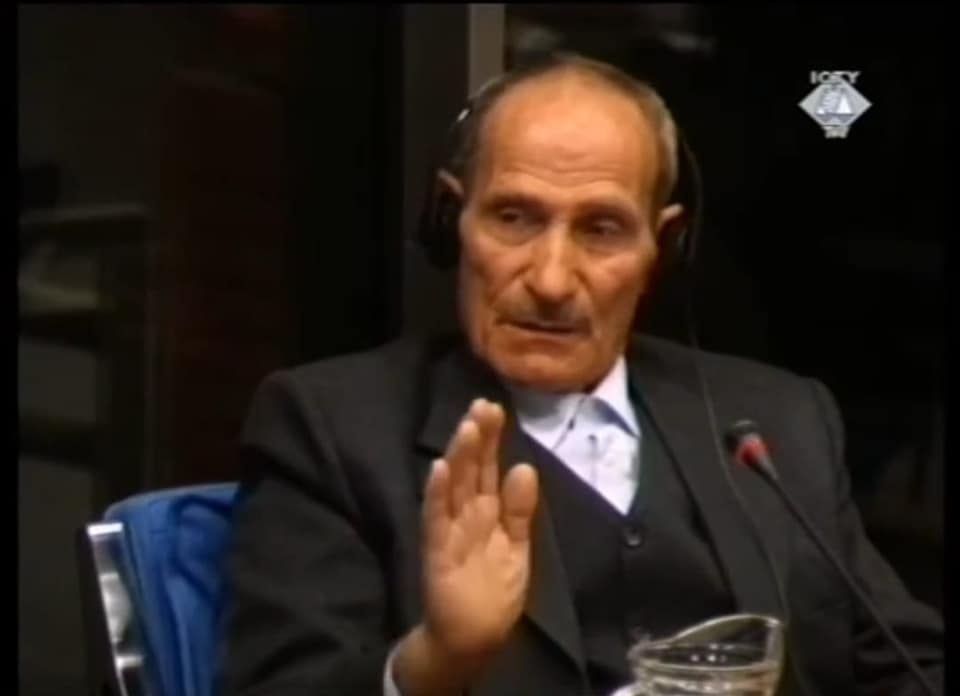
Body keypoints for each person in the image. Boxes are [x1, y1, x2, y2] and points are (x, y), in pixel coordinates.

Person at [221, 53, 943, 696]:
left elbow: (909, 668)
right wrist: (435, 661)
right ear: (452, 221)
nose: (552, 279)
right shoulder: (329, 428)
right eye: (514, 217)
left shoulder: (779, 418)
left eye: (601, 229)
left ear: (663, 246)